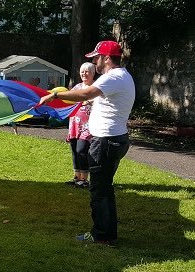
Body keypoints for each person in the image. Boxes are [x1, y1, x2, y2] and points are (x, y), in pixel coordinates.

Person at [38, 41, 135, 246]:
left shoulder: (114, 77)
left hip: (106, 142)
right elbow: (99, 99)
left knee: (99, 191)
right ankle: (107, 233)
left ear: (107, 58)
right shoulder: (122, 76)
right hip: (114, 139)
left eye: (96, 57)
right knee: (104, 189)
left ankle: (101, 236)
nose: (94, 61)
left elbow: (84, 93)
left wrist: (55, 95)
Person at [64, 62, 96, 188]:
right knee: (74, 151)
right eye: (82, 71)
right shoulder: (77, 87)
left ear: (93, 73)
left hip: (88, 125)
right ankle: (76, 176)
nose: (84, 74)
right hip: (74, 124)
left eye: (87, 71)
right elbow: (68, 100)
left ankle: (84, 179)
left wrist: (86, 101)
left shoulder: (95, 88)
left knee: (81, 150)